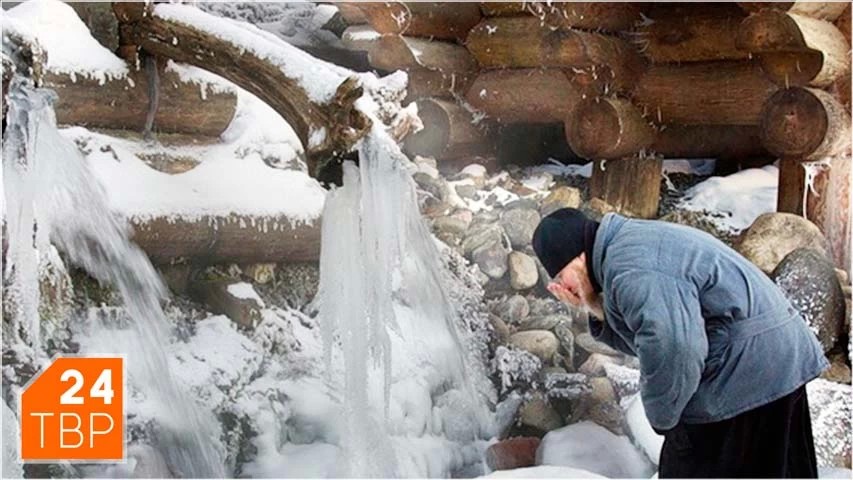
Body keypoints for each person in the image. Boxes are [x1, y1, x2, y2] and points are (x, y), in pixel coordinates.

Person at [531, 208, 828, 478]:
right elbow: (647, 335)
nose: (563, 287)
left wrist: (664, 418)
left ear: (577, 256)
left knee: (688, 465)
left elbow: (675, 348)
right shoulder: (627, 248)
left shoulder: (631, 267)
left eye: (560, 275)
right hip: (773, 359)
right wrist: (592, 306)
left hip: (749, 369)